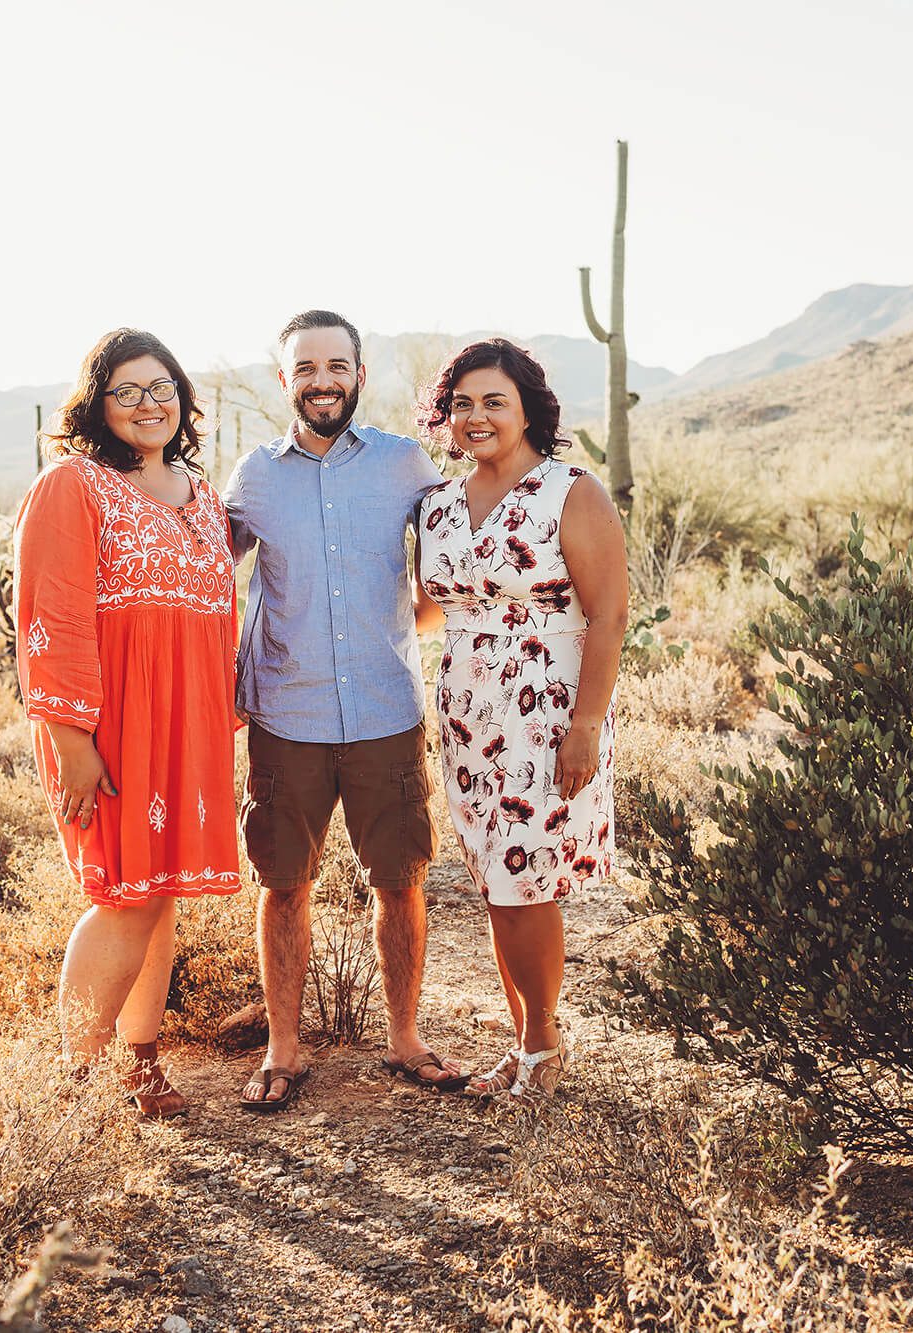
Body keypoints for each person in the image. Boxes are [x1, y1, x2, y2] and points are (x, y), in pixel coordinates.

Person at [223, 309, 467, 1111]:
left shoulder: (406, 465)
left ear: (360, 375)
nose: (322, 380)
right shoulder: (254, 475)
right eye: (306, 367)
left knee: (400, 880)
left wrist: (396, 627)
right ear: (284, 379)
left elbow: (452, 568)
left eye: (337, 365)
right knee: (283, 883)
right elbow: (202, 575)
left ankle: (403, 1038)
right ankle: (284, 1048)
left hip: (383, 710)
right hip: (285, 716)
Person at [14, 327, 240, 1119]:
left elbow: (215, 613)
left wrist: (220, 714)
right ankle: (67, 1088)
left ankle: (141, 1067)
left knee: (160, 892)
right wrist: (72, 740)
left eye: (162, 389)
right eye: (128, 391)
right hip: (109, 725)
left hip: (189, 721)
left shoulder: (201, 494)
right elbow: (54, 614)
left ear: (183, 401)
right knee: (123, 896)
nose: (149, 404)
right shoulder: (73, 484)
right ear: (97, 405)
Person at [416, 339, 628, 1102]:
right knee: (495, 881)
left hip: (546, 710)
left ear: (529, 408)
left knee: (526, 880)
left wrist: (586, 725)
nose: (476, 416)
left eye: (493, 401)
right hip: (468, 713)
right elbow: (430, 607)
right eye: (462, 403)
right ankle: (526, 1040)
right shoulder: (437, 504)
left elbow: (608, 617)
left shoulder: (571, 492)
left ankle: (543, 1044)